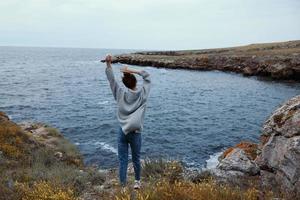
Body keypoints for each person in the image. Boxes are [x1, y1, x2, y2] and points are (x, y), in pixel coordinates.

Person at [104, 54, 151, 189]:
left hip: (122, 131)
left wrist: (108, 64)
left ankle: (123, 186)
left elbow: (112, 80)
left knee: (123, 160)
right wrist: (131, 70)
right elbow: (147, 76)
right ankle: (137, 182)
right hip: (135, 133)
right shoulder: (143, 94)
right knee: (136, 158)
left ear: (124, 83)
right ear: (135, 82)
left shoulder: (120, 94)